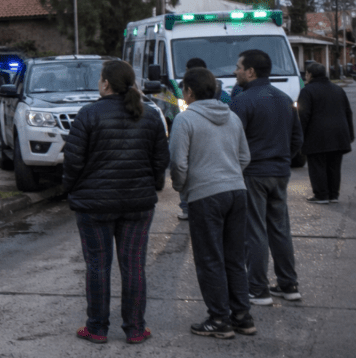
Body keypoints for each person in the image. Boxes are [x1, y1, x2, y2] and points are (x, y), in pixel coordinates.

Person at [63, 60, 170, 345]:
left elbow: (73, 161)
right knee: (134, 266)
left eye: (100, 78)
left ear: (106, 83)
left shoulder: (88, 114)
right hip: (138, 206)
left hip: (93, 206)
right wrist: (153, 186)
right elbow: (161, 161)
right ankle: (136, 328)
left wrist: (71, 190)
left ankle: (97, 328)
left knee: (97, 266)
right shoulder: (149, 116)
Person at [169, 67, 254, 338]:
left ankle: (219, 319)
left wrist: (183, 188)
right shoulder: (232, 117)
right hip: (237, 193)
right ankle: (242, 315)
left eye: (184, 90)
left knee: (209, 259)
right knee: (234, 258)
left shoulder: (186, 120)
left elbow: (178, 163)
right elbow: (245, 158)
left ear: (189, 92)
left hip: (205, 196)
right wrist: (229, 176)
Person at [230, 49, 304, 305]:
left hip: (254, 174)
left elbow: (233, 142)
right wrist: (282, 158)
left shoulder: (241, 101)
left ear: (250, 71)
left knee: (255, 231)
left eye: (239, 67)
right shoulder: (284, 99)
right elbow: (297, 139)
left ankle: (258, 289)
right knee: (280, 228)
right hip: (280, 173)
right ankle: (288, 285)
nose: (235, 71)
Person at [176, 58, 232, 222]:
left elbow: (178, 162)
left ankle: (186, 207)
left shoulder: (184, 111)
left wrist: (178, 185)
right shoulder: (220, 91)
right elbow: (244, 156)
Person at [297, 62, 353, 204]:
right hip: (339, 135)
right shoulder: (338, 89)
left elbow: (303, 115)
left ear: (309, 75)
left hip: (317, 136)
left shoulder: (307, 91)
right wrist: (350, 134)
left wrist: (299, 136)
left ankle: (321, 195)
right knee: (334, 166)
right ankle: (333, 195)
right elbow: (348, 113)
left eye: (307, 74)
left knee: (317, 165)